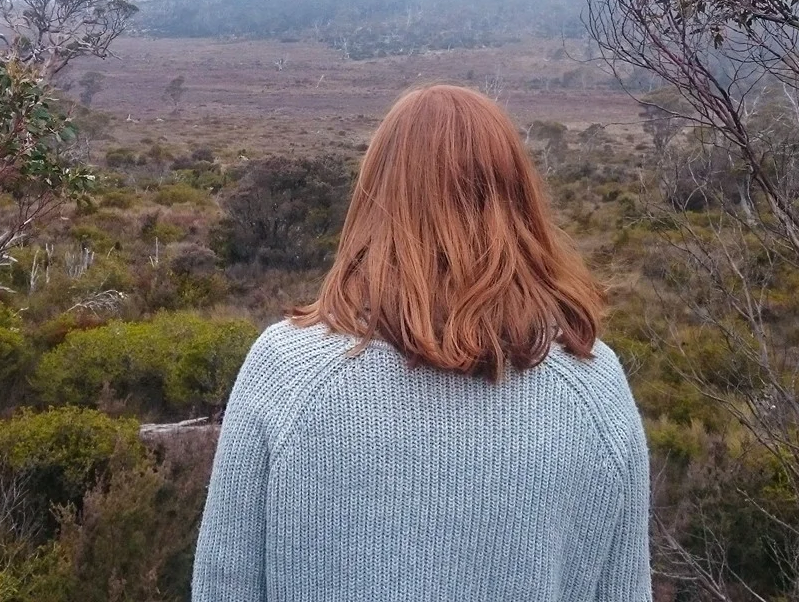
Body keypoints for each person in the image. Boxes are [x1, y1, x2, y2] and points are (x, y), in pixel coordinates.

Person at [192, 84, 651, 602]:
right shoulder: (595, 385)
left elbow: (223, 584)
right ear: (518, 203)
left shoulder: (289, 369)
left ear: (376, 196)